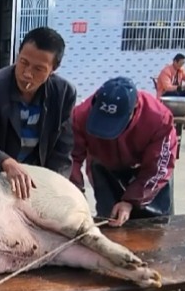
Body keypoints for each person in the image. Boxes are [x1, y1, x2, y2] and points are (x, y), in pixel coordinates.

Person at [0, 26, 76, 199]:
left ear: (53, 69)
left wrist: (54, 188)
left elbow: (62, 150)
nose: (27, 74)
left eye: (38, 69)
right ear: (18, 55)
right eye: (23, 62)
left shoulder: (63, 93)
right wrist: (6, 162)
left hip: (37, 179)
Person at [70, 77, 177, 227]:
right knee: (109, 221)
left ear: (133, 111)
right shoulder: (80, 115)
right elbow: (70, 158)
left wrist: (130, 201)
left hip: (147, 170)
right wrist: (75, 192)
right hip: (103, 165)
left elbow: (160, 166)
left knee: (153, 226)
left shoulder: (159, 119)